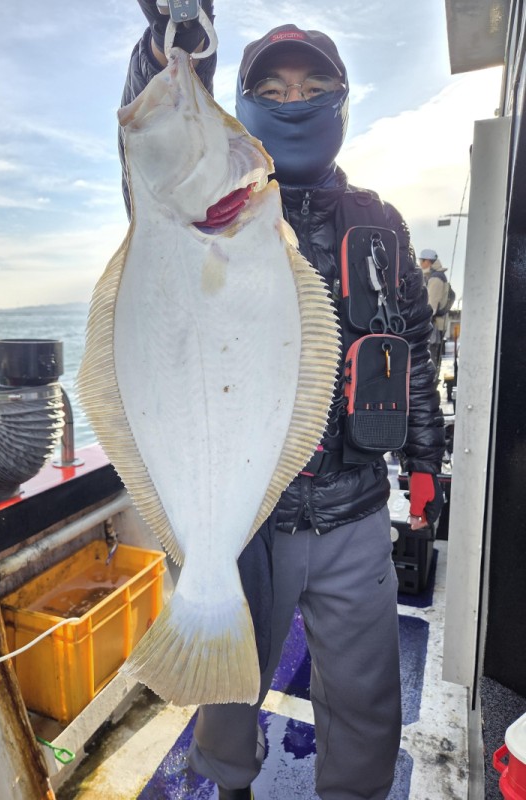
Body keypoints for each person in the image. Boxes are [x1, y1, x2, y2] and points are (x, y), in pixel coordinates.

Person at [121, 7, 446, 799]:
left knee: (367, 703)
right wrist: (171, 48)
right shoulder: (205, 202)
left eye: (311, 87)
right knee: (228, 695)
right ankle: (231, 786)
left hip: (354, 509)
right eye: (271, 90)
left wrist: (425, 464)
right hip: (244, 519)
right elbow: (159, 138)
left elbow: (413, 346)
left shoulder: (380, 222)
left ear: (341, 101)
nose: (293, 100)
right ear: (241, 103)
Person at [418, 248, 454, 375]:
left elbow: (431, 307)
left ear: (427, 261)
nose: (420, 263)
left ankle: (431, 380)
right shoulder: (437, 276)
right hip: (438, 323)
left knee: (431, 355)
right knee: (433, 355)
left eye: (421, 261)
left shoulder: (435, 279)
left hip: (434, 324)